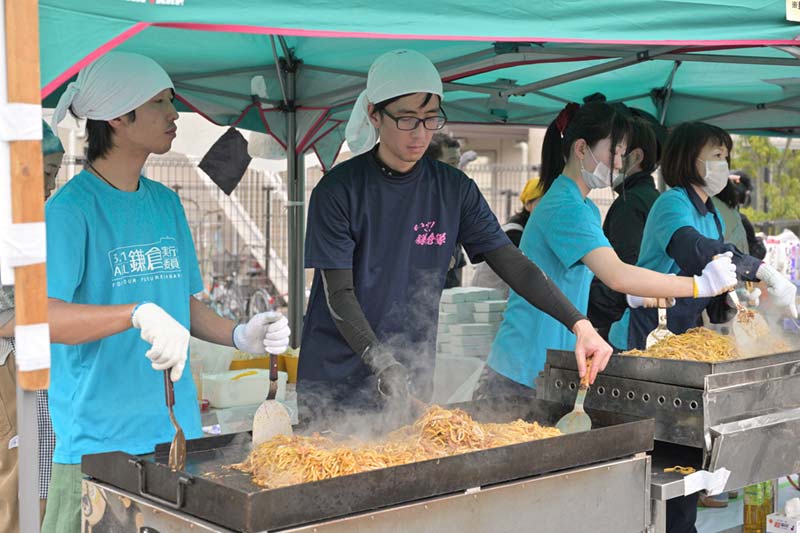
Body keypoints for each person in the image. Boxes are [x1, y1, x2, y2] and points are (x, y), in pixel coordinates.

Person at [298, 49, 613, 431]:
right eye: (407, 119)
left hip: (410, 376)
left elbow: (512, 263)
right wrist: (381, 361)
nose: (420, 133)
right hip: (336, 381)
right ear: (374, 115)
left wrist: (580, 325)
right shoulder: (339, 190)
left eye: (431, 118)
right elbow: (339, 295)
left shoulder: (453, 189)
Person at [43, 52, 290, 532]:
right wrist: (133, 313)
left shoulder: (167, 203)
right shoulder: (70, 211)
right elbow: (45, 316)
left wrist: (240, 336)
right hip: (99, 447)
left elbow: (182, 304)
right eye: (160, 102)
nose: (174, 114)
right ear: (118, 115)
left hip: (176, 440)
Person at [608, 122, 797, 532]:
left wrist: (746, 306)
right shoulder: (672, 203)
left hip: (687, 346)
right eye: (714, 154)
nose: (722, 164)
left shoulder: (709, 211)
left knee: (686, 457)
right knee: (653, 462)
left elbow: (715, 286)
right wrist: (761, 271)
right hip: (648, 342)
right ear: (686, 158)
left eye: (724, 155)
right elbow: (695, 252)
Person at [479, 102, 737, 400]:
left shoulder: (584, 205)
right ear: (581, 149)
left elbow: (594, 278)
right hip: (524, 365)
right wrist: (699, 285)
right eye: (614, 151)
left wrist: (636, 295)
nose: (619, 161)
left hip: (551, 363)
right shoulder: (565, 206)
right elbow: (616, 274)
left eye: (623, 152)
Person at [0, 121, 66, 531]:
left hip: (35, 364)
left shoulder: (27, 222)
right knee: (19, 493)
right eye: (45, 173)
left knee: (38, 487)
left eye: (56, 176)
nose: (50, 186)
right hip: (12, 371)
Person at [587, 116, 661, 340]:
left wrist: (587, 312)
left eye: (618, 153)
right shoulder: (653, 198)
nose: (614, 163)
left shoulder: (630, 204)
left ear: (636, 156)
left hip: (629, 326)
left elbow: (622, 272)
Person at [470, 177, 544, 296]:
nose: (547, 208)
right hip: (487, 298)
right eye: (542, 202)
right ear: (528, 205)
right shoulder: (514, 233)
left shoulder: (532, 229)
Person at [425, 133, 467, 288]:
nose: (457, 170)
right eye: (452, 163)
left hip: (450, 282)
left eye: (458, 163)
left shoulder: (455, 197)